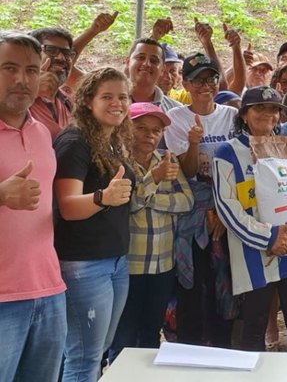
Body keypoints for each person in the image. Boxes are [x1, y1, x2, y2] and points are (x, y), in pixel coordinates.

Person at [212, 86, 287, 352]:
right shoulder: (228, 153)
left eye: (274, 110)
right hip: (255, 252)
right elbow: (227, 207)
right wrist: (269, 237)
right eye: (259, 108)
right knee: (254, 326)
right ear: (244, 114)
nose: (268, 114)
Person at [53, 67, 137, 382]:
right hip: (83, 264)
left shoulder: (111, 139)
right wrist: (103, 197)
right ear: (88, 100)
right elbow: (68, 206)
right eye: (107, 97)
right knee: (84, 357)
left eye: (123, 97)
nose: (117, 103)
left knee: (96, 350)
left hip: (114, 260)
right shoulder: (75, 141)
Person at [0, 31, 67, 382]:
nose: (21, 79)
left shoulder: (42, 131)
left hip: (49, 290)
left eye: (30, 69)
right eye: (9, 68)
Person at [164, 52, 238, 348]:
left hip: (228, 211)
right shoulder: (175, 119)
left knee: (225, 285)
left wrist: (224, 211)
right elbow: (188, 171)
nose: (205, 86)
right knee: (193, 282)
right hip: (191, 214)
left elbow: (242, 166)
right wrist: (194, 141)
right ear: (185, 83)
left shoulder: (232, 116)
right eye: (197, 81)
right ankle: (190, 348)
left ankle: (222, 348)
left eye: (211, 79)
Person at [109, 103, 193, 361]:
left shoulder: (168, 160)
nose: (150, 135)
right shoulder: (117, 163)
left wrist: (148, 197)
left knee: (150, 333)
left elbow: (187, 202)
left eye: (156, 130)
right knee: (123, 335)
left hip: (162, 265)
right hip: (129, 266)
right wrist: (154, 180)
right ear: (126, 129)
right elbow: (126, 206)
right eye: (141, 128)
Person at [28, 26, 76, 140]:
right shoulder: (10, 95)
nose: (61, 58)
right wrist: (32, 91)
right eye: (51, 50)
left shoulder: (68, 101)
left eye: (67, 53)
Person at [126, 38, 182, 113]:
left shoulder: (175, 111)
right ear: (128, 62)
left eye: (153, 60)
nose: (146, 64)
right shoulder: (110, 103)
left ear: (162, 69)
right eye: (141, 57)